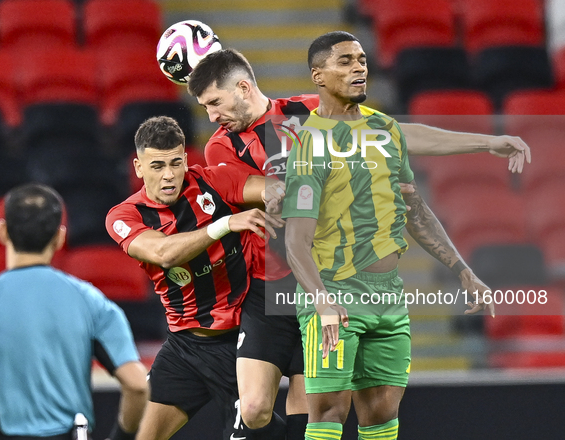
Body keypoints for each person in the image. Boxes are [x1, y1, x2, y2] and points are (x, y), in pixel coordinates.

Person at [186, 48, 527, 439]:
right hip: (270, 288)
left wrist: (486, 142)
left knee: (320, 414)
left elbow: (400, 133)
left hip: (330, 282)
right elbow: (250, 186)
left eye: (215, 103)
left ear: (244, 88)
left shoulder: (309, 110)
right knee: (255, 407)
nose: (211, 116)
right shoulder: (221, 145)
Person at [280, 31, 495, 440]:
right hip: (334, 290)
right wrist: (322, 302)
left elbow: (415, 209)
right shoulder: (310, 144)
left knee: (381, 415)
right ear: (318, 76)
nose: (359, 67)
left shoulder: (386, 130)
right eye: (344, 61)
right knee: (327, 411)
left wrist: (461, 268)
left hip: (387, 294)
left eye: (361, 59)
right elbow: (295, 241)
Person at [105, 116, 286, 440]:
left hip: (240, 343)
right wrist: (225, 224)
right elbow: (163, 254)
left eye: (176, 163)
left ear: (187, 160)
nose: (169, 175)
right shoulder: (124, 216)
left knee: (257, 421)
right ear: (138, 167)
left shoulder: (215, 181)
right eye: (157, 165)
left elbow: (275, 189)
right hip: (185, 348)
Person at [0, 183, 148, 440]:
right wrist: (121, 436)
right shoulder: (92, 302)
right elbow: (137, 386)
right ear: (60, 237)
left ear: (2, 231)